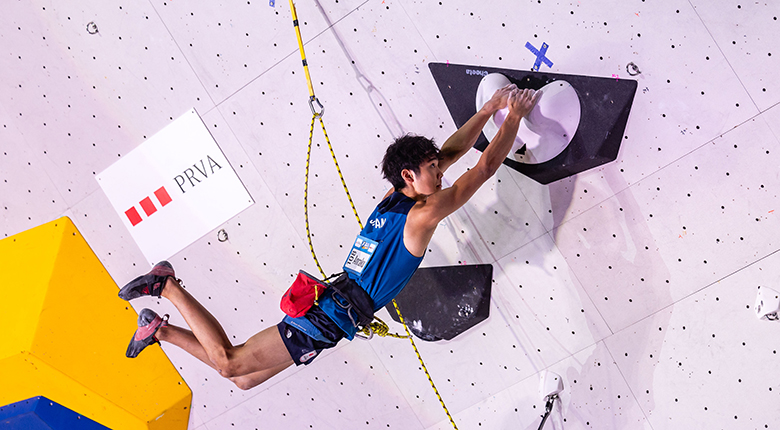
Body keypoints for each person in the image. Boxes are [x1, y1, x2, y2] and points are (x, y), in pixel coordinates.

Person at [119, 84, 539, 390]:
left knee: (244, 382)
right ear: (411, 175)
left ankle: (160, 331)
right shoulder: (423, 213)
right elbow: (481, 169)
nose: (441, 171)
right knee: (230, 364)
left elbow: (451, 152)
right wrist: (514, 117)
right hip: (327, 315)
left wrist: (487, 110)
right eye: (433, 168)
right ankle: (167, 286)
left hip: (330, 305)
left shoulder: (395, 194)